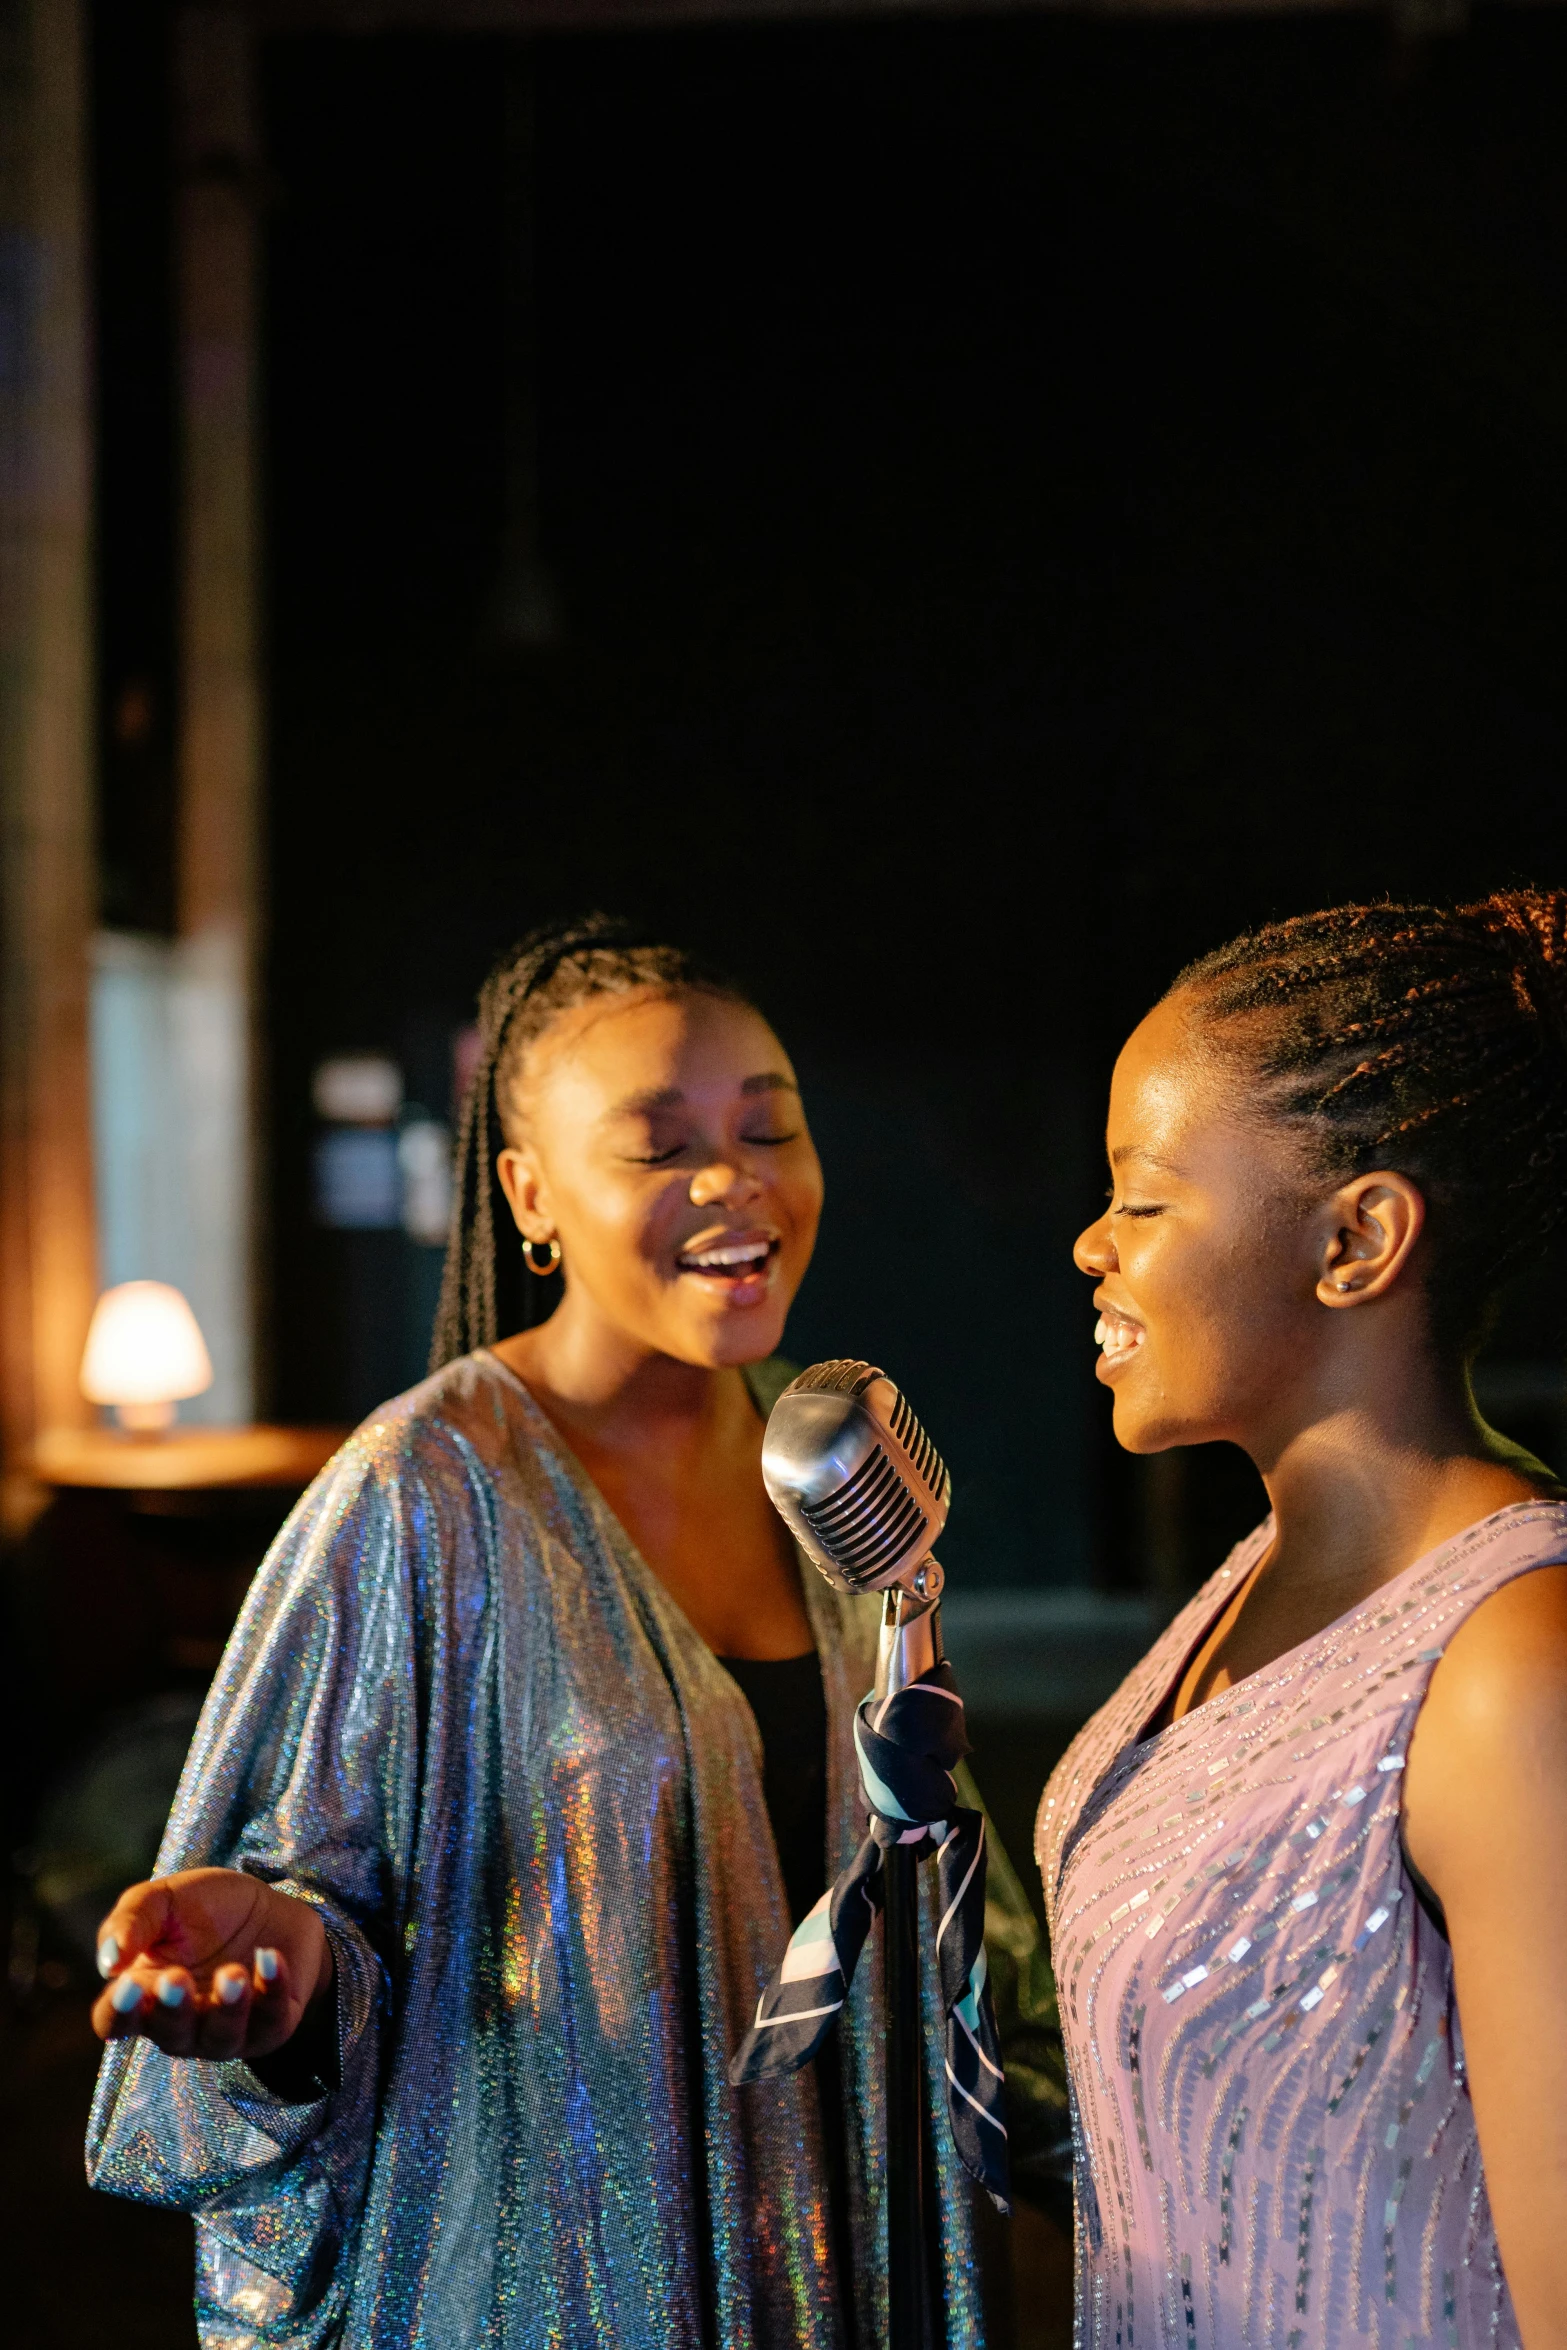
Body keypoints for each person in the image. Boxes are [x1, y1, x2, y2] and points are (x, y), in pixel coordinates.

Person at [86, 915, 1069, 2350]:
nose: (732, 1179)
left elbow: (934, 1859)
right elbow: (317, 1938)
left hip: (844, 2256)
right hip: (556, 2288)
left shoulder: (822, 1445)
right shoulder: (420, 1493)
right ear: (528, 1192)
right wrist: (284, 1974)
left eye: (768, 1126)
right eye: (658, 1144)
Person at [1039, 888, 1567, 2349]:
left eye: (1141, 1197)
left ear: (1357, 1238)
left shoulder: (1512, 1665)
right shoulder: (1250, 1572)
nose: (1092, 1243)